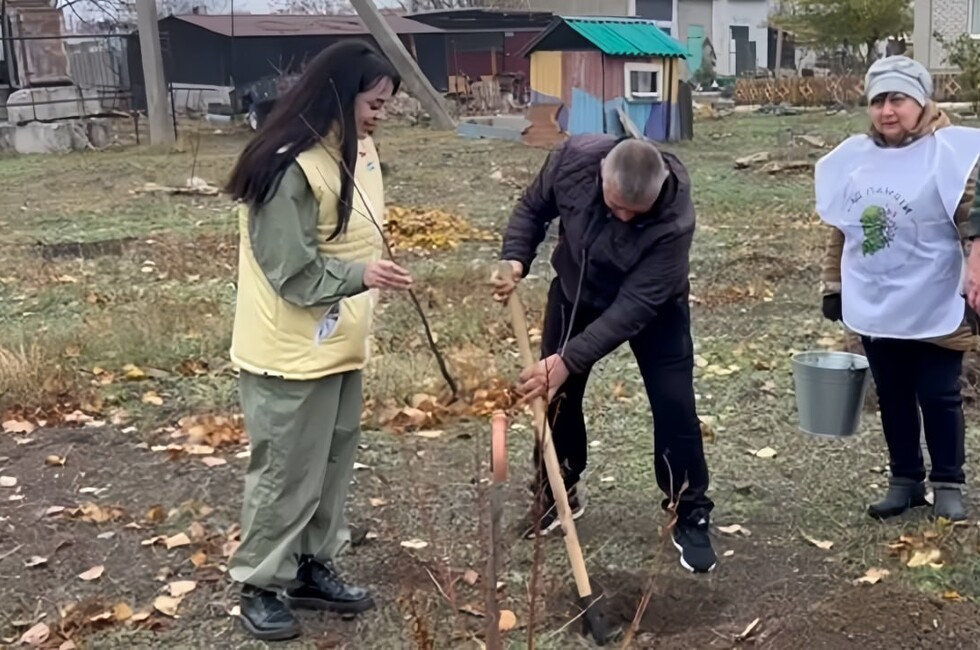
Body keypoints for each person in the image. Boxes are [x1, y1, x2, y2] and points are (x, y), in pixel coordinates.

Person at [223, 41, 414, 641]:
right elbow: (291, 270)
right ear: (339, 93)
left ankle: (310, 566)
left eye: (386, 104)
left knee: (330, 464)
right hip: (288, 351)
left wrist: (366, 278)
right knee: (287, 470)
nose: (381, 114)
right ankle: (259, 583)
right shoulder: (288, 167)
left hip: (338, 340)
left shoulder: (353, 150)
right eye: (374, 102)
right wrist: (364, 276)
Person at [492, 135, 717, 574]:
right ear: (600, 176)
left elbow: (633, 306)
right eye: (616, 206)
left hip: (654, 308)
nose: (625, 217)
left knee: (674, 404)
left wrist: (568, 359)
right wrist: (516, 258)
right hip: (576, 290)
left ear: (660, 187)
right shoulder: (572, 162)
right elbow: (533, 207)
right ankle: (557, 492)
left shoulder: (674, 219)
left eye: (637, 212)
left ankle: (689, 509)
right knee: (555, 397)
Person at [816, 55, 980, 522]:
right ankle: (905, 480)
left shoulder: (951, 154)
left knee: (939, 394)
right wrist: (834, 283)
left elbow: (972, 219)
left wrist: (976, 274)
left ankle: (948, 482)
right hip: (878, 298)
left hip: (936, 295)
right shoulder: (857, 158)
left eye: (898, 100)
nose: (886, 111)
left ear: (921, 101)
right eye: (877, 102)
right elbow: (843, 226)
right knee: (893, 393)